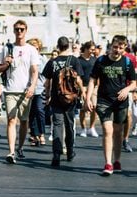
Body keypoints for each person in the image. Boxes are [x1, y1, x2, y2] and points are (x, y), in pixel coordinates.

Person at [85, 35, 136, 176]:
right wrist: (88, 98)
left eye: (120, 48)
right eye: (115, 47)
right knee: (108, 131)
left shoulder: (126, 62)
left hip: (120, 101)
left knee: (118, 132)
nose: (117, 50)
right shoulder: (101, 60)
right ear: (110, 46)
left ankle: (117, 160)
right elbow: (92, 80)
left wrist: (127, 89)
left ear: (124, 48)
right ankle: (108, 163)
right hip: (104, 101)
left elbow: (134, 82)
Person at [0, 20, 39, 163]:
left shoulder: (31, 50)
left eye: (22, 29)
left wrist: (32, 86)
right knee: (11, 120)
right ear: (13, 31)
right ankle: (11, 151)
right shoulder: (7, 48)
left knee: (23, 121)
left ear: (26, 30)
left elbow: (34, 71)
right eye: (17, 29)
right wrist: (6, 63)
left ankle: (20, 147)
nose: (19, 32)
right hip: (10, 89)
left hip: (25, 90)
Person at [43, 36, 84, 167]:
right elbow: (78, 80)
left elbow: (47, 83)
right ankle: (70, 151)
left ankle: (56, 154)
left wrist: (48, 96)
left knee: (57, 126)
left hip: (56, 98)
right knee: (69, 125)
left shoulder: (52, 62)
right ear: (69, 46)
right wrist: (82, 94)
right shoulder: (74, 60)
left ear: (58, 46)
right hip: (70, 99)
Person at [27, 38, 48, 146]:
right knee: (31, 113)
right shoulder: (27, 58)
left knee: (40, 110)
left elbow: (46, 75)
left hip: (39, 88)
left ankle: (42, 134)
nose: (35, 51)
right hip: (28, 88)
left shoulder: (42, 59)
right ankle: (34, 135)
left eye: (37, 49)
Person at [78, 41, 98, 138]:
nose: (93, 51)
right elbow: (78, 76)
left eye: (93, 49)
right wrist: (82, 89)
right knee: (83, 108)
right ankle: (83, 128)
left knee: (94, 107)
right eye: (91, 49)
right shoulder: (79, 60)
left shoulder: (95, 60)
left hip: (94, 87)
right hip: (83, 86)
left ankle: (92, 127)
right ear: (86, 49)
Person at [122, 45, 137, 152]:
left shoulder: (131, 58)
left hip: (128, 90)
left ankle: (125, 139)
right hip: (112, 92)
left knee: (128, 115)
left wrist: (135, 91)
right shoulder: (106, 58)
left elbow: (134, 77)